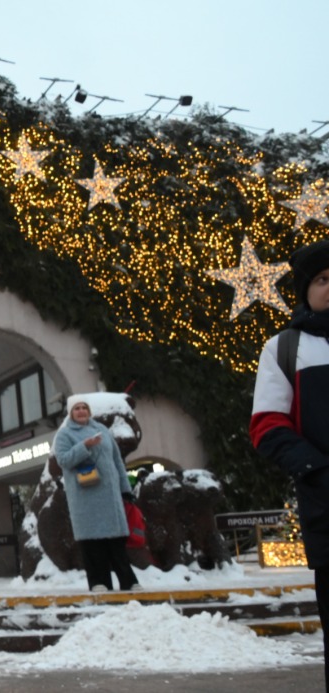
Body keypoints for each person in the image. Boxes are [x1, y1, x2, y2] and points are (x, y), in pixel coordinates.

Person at [250, 238, 329, 689]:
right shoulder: (286, 348)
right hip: (327, 509)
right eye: (321, 279)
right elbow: (266, 424)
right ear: (305, 290)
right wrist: (316, 470)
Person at [52, 396, 139, 592]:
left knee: (116, 544)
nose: (81, 411)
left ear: (89, 411)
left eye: (84, 408)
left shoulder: (104, 432)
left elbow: (118, 462)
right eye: (77, 409)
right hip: (85, 499)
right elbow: (63, 460)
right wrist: (85, 446)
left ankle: (129, 581)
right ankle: (99, 582)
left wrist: (125, 489)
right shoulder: (65, 434)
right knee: (93, 545)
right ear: (71, 413)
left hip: (110, 498)